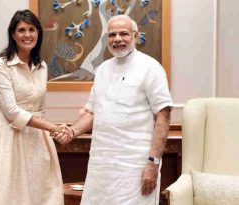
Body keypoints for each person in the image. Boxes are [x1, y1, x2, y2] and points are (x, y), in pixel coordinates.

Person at [55, 15, 173, 205]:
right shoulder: (101, 70)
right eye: (112, 35)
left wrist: (153, 163)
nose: (117, 38)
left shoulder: (151, 68)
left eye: (123, 33)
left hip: (134, 166)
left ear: (135, 36)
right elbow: (93, 112)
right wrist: (72, 131)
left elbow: (163, 116)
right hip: (100, 165)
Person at [0, 9, 70, 205]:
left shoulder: (42, 66)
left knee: (38, 193)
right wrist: (54, 128)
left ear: (38, 33)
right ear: (13, 34)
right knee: (5, 193)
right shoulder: (1, 64)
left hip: (36, 139)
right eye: (21, 30)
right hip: (6, 137)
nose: (27, 35)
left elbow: (41, 107)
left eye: (32, 29)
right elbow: (11, 112)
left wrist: (54, 132)